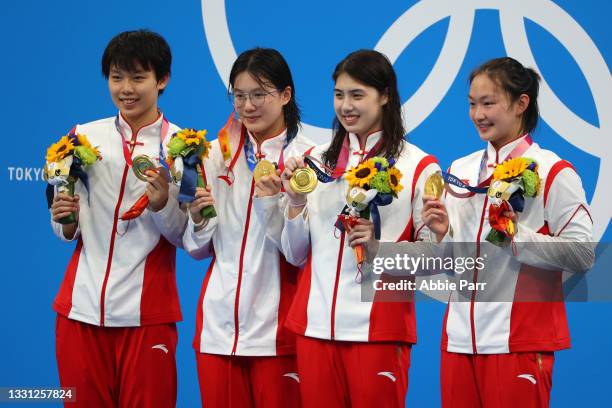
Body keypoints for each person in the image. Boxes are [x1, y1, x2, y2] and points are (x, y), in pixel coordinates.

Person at [421, 57, 594, 407]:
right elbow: (455, 259)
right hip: (458, 341)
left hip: (519, 342)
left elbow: (584, 253)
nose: (478, 114)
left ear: (521, 103)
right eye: (472, 104)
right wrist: (443, 234)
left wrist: (517, 236)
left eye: (488, 103)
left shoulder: (554, 172)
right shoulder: (460, 171)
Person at [273, 49, 440, 407]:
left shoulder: (420, 167)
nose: (346, 106)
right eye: (339, 95)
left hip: (378, 330)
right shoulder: (315, 163)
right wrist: (295, 202)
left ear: (385, 96)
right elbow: (295, 253)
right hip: (315, 328)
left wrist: (381, 250)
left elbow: (436, 259)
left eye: (357, 95)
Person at [49, 29, 186, 407]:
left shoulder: (185, 150)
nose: (126, 88)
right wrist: (66, 220)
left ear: (162, 80)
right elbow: (64, 229)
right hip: (79, 313)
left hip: (147, 318)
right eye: (116, 77)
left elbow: (187, 238)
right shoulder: (80, 138)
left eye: (138, 77)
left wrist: (162, 206)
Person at [183, 47, 311, 407]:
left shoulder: (307, 161)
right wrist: (197, 220)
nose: (249, 105)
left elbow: (298, 254)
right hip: (217, 331)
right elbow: (195, 249)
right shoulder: (211, 155)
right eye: (239, 96)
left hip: (278, 333)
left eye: (260, 94)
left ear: (286, 95)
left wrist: (280, 202)